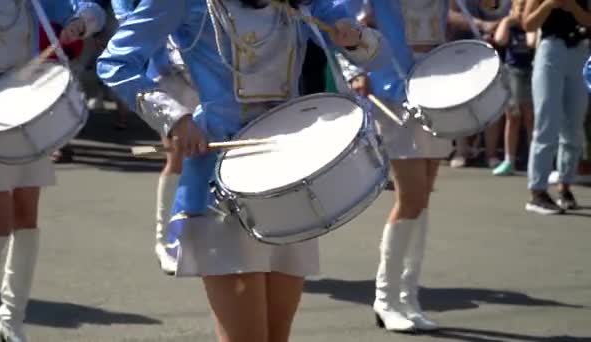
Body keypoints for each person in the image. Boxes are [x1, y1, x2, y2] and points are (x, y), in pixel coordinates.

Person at [97, 0, 386, 341]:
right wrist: (176, 119)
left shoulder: (306, 3)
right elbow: (116, 61)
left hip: (291, 173)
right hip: (222, 185)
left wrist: (353, 37)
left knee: (278, 336)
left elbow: (372, 55)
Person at [0, 1, 105, 341]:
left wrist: (79, 23)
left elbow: (91, 9)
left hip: (27, 110)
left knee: (26, 221)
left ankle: (13, 320)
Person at [348, 0, 455, 333]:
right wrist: (355, 72)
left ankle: (409, 298)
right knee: (410, 197)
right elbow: (343, 23)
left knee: (422, 198)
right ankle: (385, 298)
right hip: (392, 88)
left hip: (438, 88)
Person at [110, 0, 201, 275]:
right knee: (178, 158)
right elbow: (130, 21)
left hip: (209, 75)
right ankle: (167, 242)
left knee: (212, 157)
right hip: (169, 75)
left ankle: (203, 240)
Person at [523, 0, 591, 214]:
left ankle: (565, 186)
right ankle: (537, 191)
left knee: (574, 123)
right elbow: (528, 24)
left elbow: (589, 21)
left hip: (579, 51)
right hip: (551, 49)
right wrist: (549, 5)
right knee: (547, 120)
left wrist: (574, 8)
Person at [448, 0, 511, 169]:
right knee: (461, 102)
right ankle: (461, 151)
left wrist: (498, 27)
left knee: (492, 101)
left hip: (496, 48)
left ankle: (491, 154)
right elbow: (449, 14)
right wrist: (481, 25)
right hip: (461, 48)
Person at [492, 0, 536, 176]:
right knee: (513, 116)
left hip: (532, 70)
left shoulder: (534, 23)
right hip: (514, 71)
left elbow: (532, 42)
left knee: (530, 117)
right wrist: (508, 21)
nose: (521, 10)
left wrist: (527, 21)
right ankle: (509, 160)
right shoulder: (509, 23)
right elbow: (499, 40)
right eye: (519, 6)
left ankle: (534, 160)